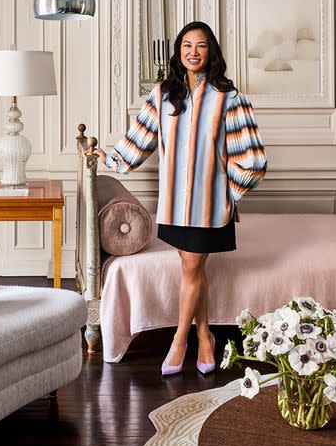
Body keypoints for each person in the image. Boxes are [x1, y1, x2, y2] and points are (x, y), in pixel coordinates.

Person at [94, 21, 267, 377]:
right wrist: (108, 158)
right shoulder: (162, 96)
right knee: (195, 269)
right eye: (186, 45)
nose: (193, 52)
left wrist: (226, 194)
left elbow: (252, 159)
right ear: (178, 52)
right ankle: (205, 334)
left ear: (211, 52)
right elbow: (139, 139)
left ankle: (179, 339)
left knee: (190, 267)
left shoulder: (229, 98)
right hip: (174, 204)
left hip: (209, 207)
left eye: (201, 46)